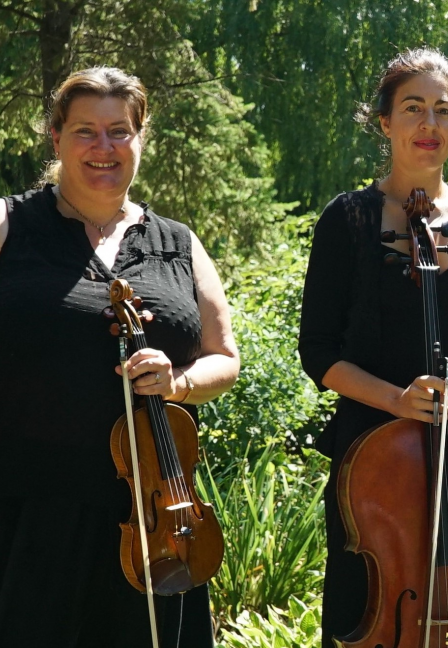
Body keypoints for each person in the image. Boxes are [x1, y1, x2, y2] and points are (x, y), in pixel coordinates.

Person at [296, 48, 448, 647]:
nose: (429, 125)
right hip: (376, 468)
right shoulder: (346, 219)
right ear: (384, 121)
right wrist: (397, 400)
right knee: (369, 609)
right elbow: (318, 353)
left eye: (443, 110)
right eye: (413, 108)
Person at [0, 67, 240, 646]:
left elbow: (224, 357)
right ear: (55, 138)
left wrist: (178, 383)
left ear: (140, 138)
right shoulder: (12, 224)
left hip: (156, 516)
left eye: (119, 131)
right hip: (30, 508)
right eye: (85, 131)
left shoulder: (178, 241)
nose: (103, 147)